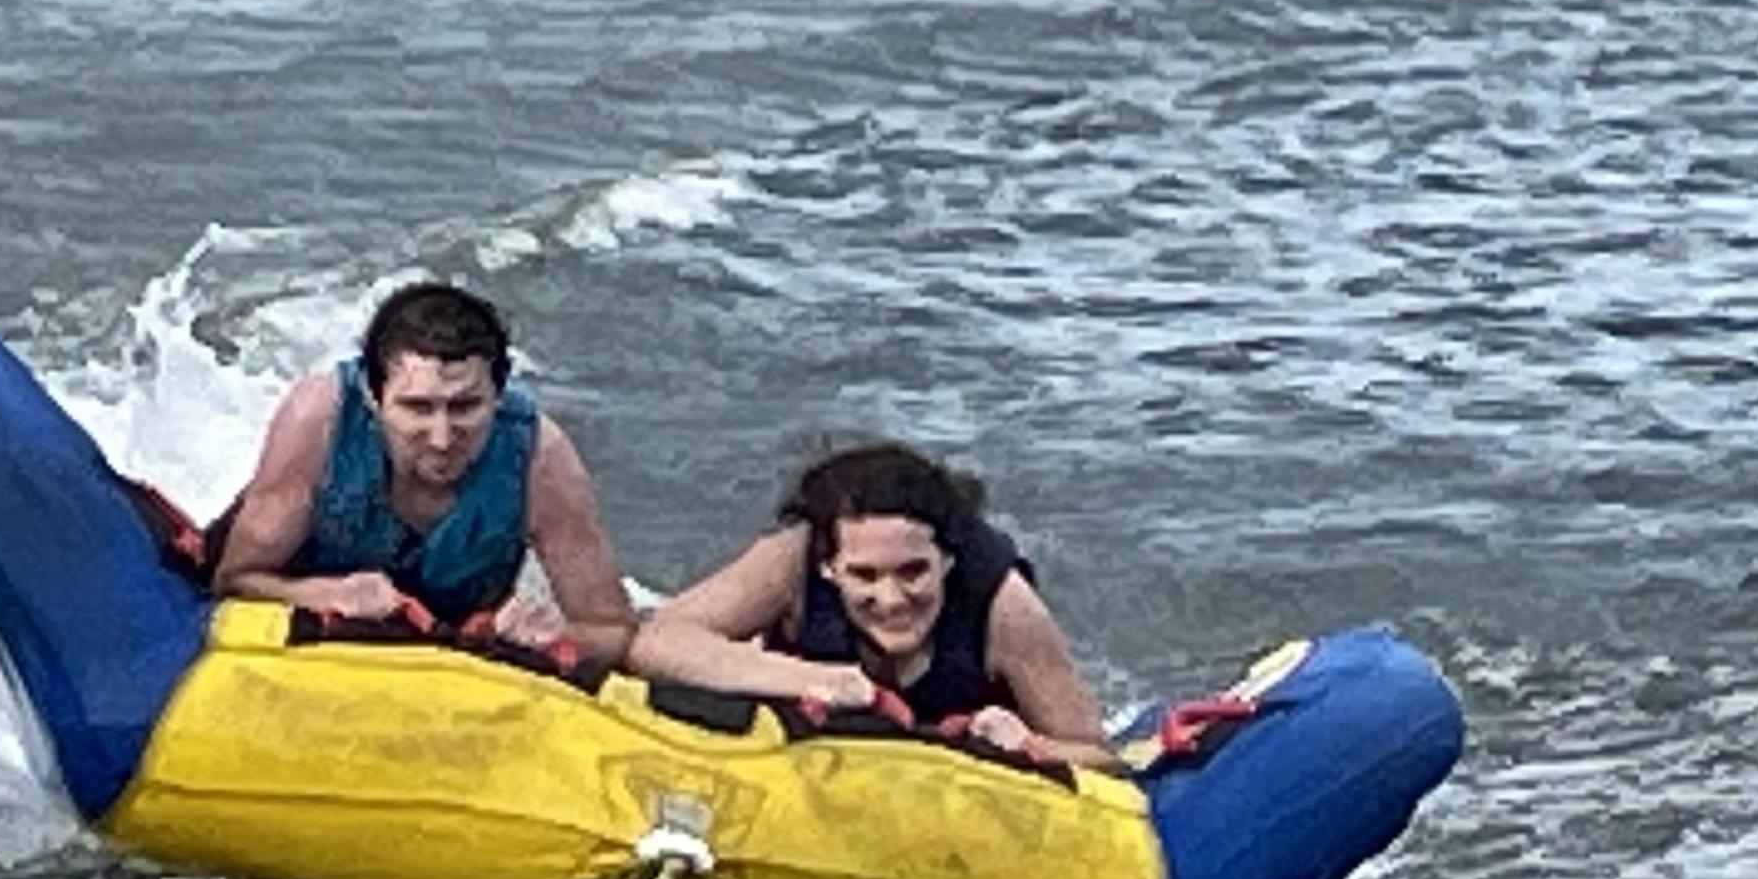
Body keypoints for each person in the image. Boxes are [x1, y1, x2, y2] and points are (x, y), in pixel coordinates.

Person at [207, 282, 636, 665]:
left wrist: (552, 633)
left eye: (465, 407)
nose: (442, 437)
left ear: (499, 396)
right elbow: (232, 580)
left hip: (450, 655)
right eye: (417, 408)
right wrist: (324, 595)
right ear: (373, 398)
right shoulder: (318, 419)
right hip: (311, 644)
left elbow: (613, 632)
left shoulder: (541, 457)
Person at [627, 443, 1116, 770]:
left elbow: (1100, 755)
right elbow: (657, 642)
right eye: (864, 575)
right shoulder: (790, 558)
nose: (891, 599)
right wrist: (819, 681)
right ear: (828, 567)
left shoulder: (1005, 605)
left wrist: (1027, 745)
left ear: (946, 559)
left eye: (913, 572)